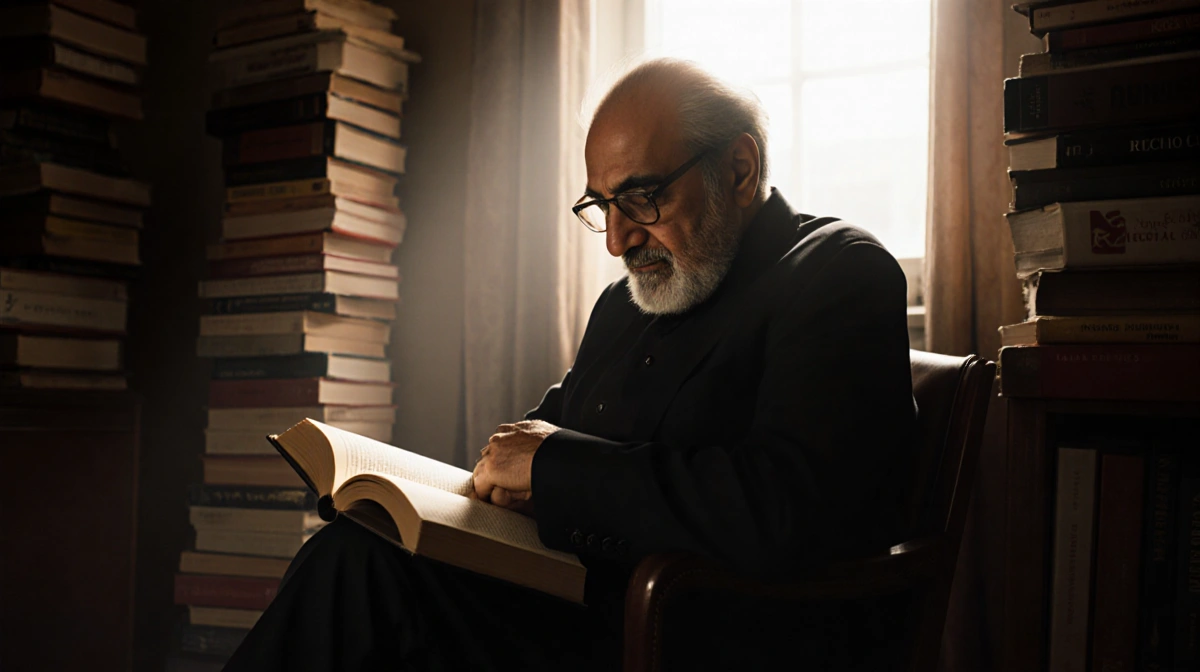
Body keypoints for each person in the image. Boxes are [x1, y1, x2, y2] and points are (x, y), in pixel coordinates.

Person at [224, 58, 917, 671]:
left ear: (739, 169)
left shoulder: (839, 273)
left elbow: (789, 507)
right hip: (573, 610)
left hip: (697, 634)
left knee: (361, 576)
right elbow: (549, 436)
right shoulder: (628, 301)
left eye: (643, 197)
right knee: (360, 542)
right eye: (601, 205)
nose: (617, 239)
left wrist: (551, 468)